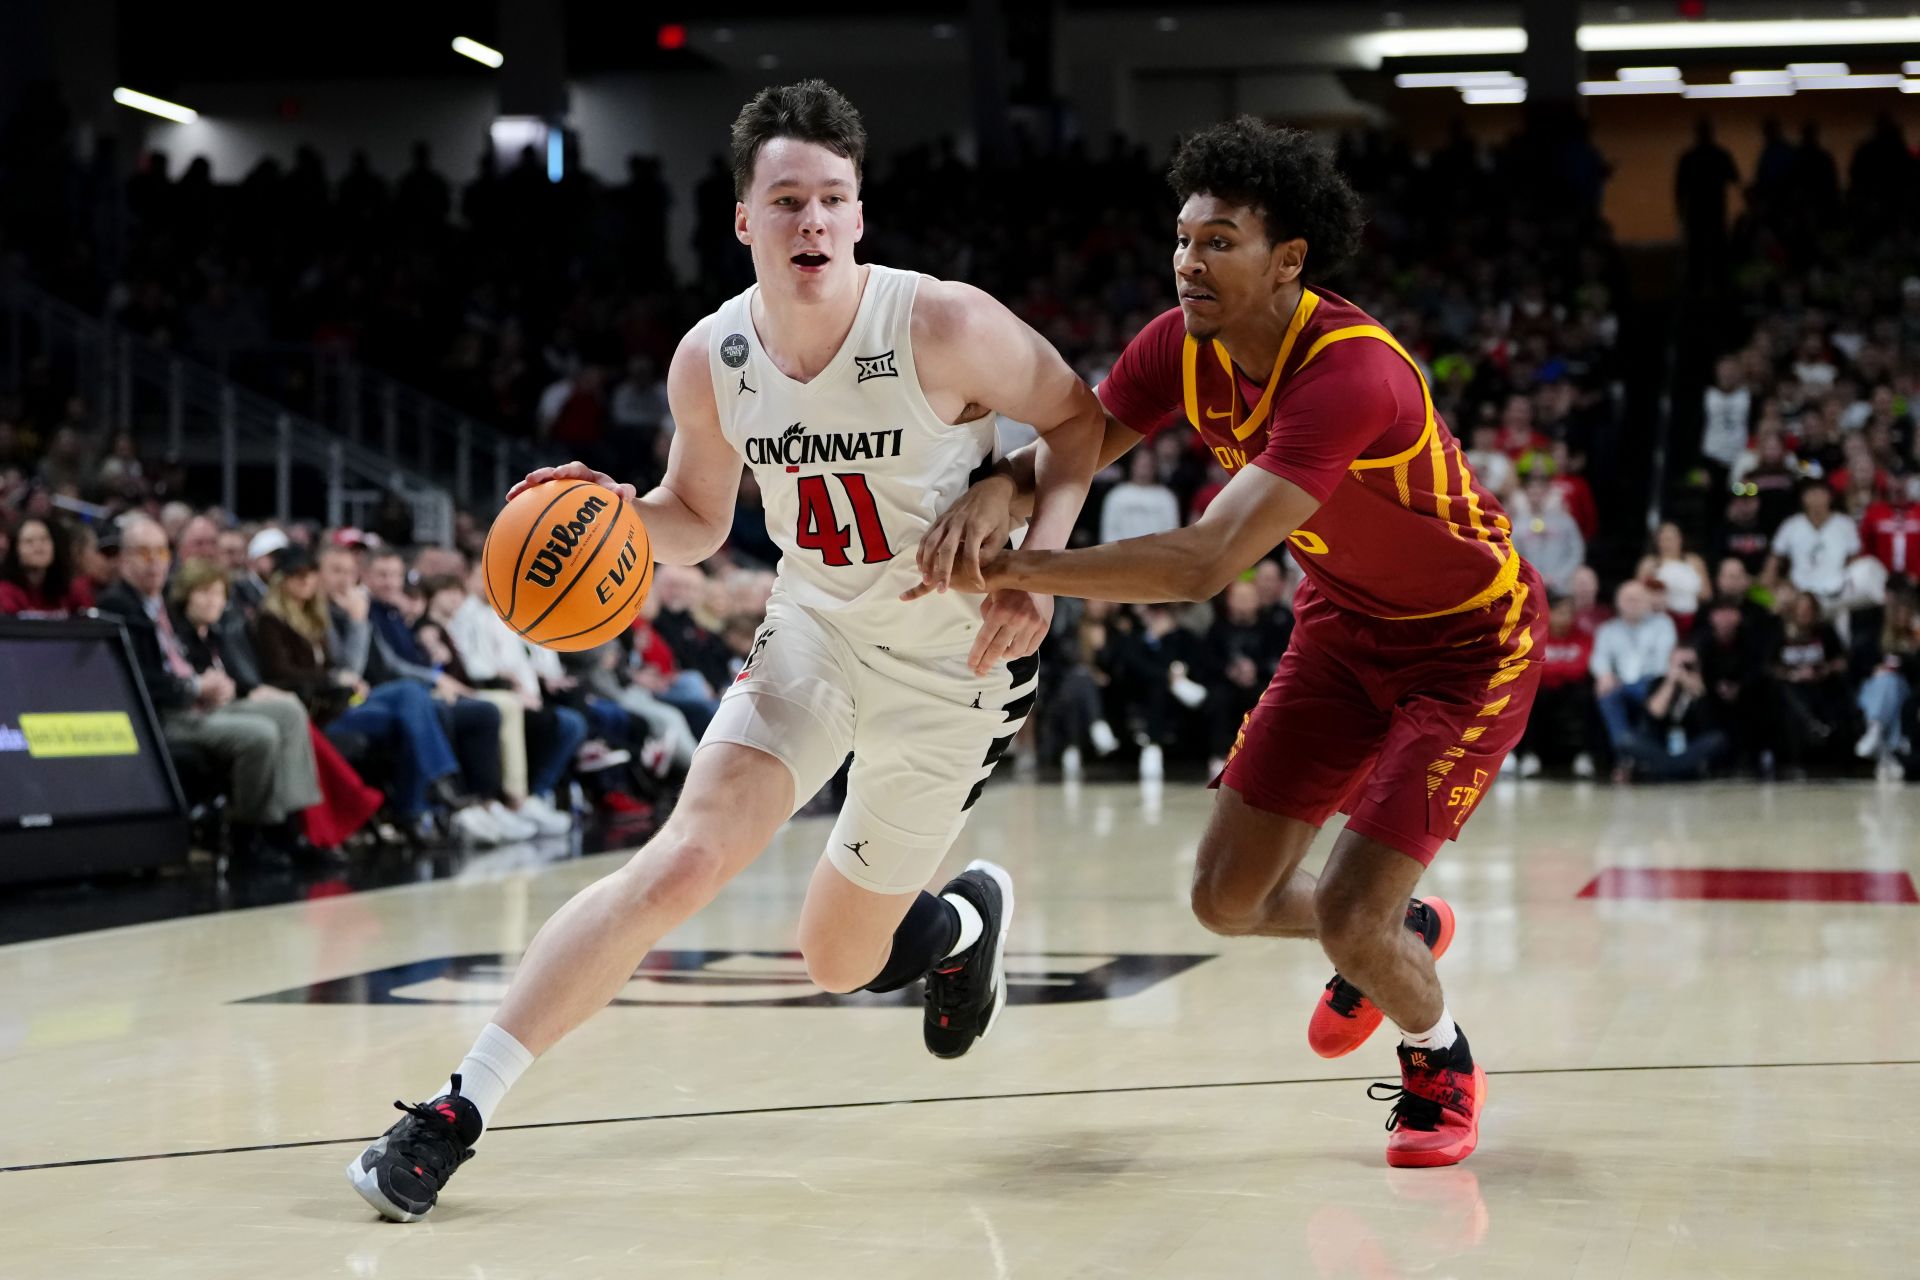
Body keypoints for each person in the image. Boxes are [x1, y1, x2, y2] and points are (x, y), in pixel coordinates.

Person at [347, 80, 1106, 1222]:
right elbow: (696, 517)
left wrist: (1037, 565)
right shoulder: (713, 356)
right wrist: (609, 513)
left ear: (861, 216)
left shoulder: (944, 322)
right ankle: (457, 1106)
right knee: (684, 859)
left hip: (956, 666)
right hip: (812, 628)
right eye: (787, 199)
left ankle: (958, 922)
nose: (812, 221)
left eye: (833, 200)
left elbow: (1081, 420)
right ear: (743, 219)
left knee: (838, 958)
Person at [911, 117, 1530, 1167]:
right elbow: (1082, 439)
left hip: (1468, 645)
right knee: (1224, 899)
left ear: (1289, 259)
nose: (1190, 261)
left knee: (1344, 913)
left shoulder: (1351, 374)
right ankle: (1403, 932)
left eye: (1221, 240)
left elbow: (1204, 560)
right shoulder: (1177, 344)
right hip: (1343, 629)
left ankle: (1440, 1056)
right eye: (1185, 237)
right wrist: (1003, 489)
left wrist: (1017, 569)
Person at [94, 517, 321, 857]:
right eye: (143, 552)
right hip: (166, 714)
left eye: (160, 551)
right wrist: (196, 686)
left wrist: (220, 684)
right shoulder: (119, 606)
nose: (154, 561)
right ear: (124, 558)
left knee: (289, 710)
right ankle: (251, 833)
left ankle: (289, 824)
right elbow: (137, 678)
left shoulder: (163, 602)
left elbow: (190, 657)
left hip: (197, 703)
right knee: (260, 735)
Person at [170, 557, 382, 851]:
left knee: (289, 710)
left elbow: (235, 679)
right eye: (204, 593)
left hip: (278, 701)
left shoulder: (218, 634)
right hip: (196, 712)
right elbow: (277, 674)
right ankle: (264, 826)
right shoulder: (259, 622)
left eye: (218, 594)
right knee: (270, 729)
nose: (213, 601)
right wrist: (334, 678)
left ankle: (294, 819)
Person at [251, 548, 466, 835]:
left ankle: (423, 800)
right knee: (412, 703)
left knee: (412, 697)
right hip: (322, 708)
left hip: (347, 699)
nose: (306, 583)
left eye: (348, 572)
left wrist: (344, 674)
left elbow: (348, 669)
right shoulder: (278, 619)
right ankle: (433, 787)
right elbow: (333, 669)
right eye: (334, 571)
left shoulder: (316, 616)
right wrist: (356, 626)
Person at [1767, 480, 1860, 613]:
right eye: (1811, 493)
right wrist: (1774, 587)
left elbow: (1854, 560)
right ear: (1803, 498)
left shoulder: (1845, 524)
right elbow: (1774, 561)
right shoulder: (1791, 525)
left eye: (1820, 493)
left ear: (1830, 497)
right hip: (1798, 594)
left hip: (1837, 593)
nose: (1816, 498)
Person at [0, 517, 93, 616]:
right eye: (29, 541)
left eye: (44, 539)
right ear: (15, 551)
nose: (38, 546)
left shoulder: (71, 589)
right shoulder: (5, 592)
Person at [1636, 521, 1710, 628]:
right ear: (1657, 541)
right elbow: (1638, 594)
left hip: (1691, 617)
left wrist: (1683, 592)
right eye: (1665, 539)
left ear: (1681, 540)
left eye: (1673, 538)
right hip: (1658, 618)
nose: (1669, 543)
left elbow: (1706, 595)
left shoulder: (1694, 561)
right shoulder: (1648, 564)